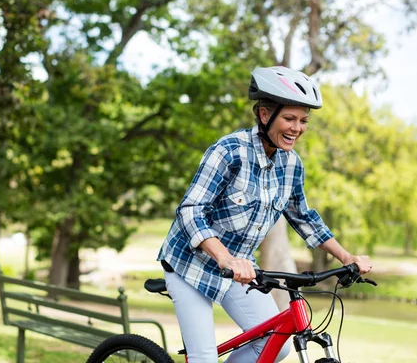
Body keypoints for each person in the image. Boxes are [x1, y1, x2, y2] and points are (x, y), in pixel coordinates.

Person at [157, 66, 373, 363]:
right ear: (264, 115)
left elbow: (304, 216)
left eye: (303, 120)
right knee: (204, 358)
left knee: (278, 343)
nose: (297, 128)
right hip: (190, 265)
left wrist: (346, 257)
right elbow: (191, 211)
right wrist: (225, 258)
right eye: (289, 118)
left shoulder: (291, 164)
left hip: (240, 268)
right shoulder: (229, 151)